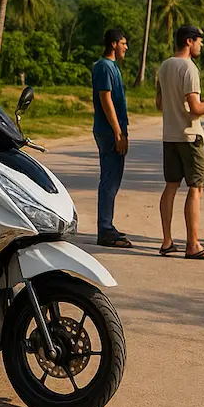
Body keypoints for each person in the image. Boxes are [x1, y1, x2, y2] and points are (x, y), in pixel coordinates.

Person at [155, 25, 204, 259]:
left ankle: (167, 241)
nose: (201, 45)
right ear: (189, 41)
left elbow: (160, 104)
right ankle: (193, 244)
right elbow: (195, 108)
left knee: (171, 186)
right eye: (199, 41)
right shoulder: (189, 68)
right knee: (196, 188)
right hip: (190, 136)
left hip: (170, 135)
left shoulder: (164, 66)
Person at [92, 28, 132, 248]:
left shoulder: (112, 67)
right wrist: (117, 132)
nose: (126, 47)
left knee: (113, 178)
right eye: (123, 43)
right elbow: (105, 99)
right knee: (110, 179)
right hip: (108, 131)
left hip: (113, 130)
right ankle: (105, 230)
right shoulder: (104, 66)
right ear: (114, 44)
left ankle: (108, 225)